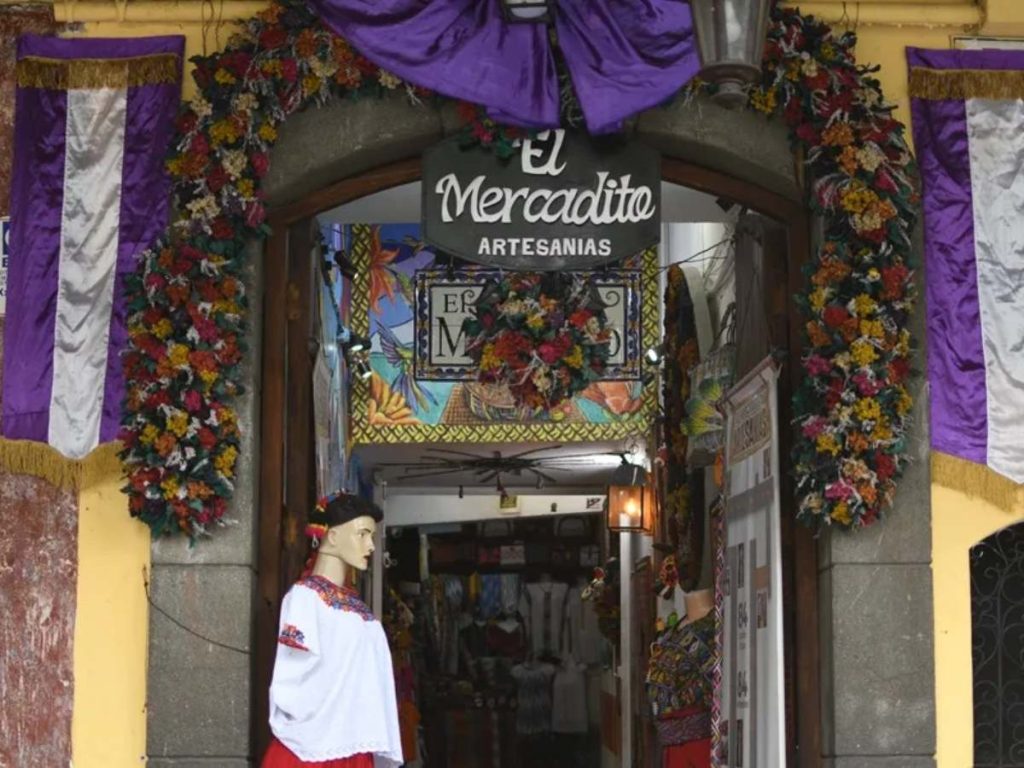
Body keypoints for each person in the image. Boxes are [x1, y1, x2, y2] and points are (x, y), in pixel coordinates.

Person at [261, 492, 403, 768]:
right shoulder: (305, 598)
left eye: (370, 536)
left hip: (354, 743)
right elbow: (292, 675)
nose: (370, 546)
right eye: (362, 534)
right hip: (313, 747)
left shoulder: (356, 607)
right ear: (333, 537)